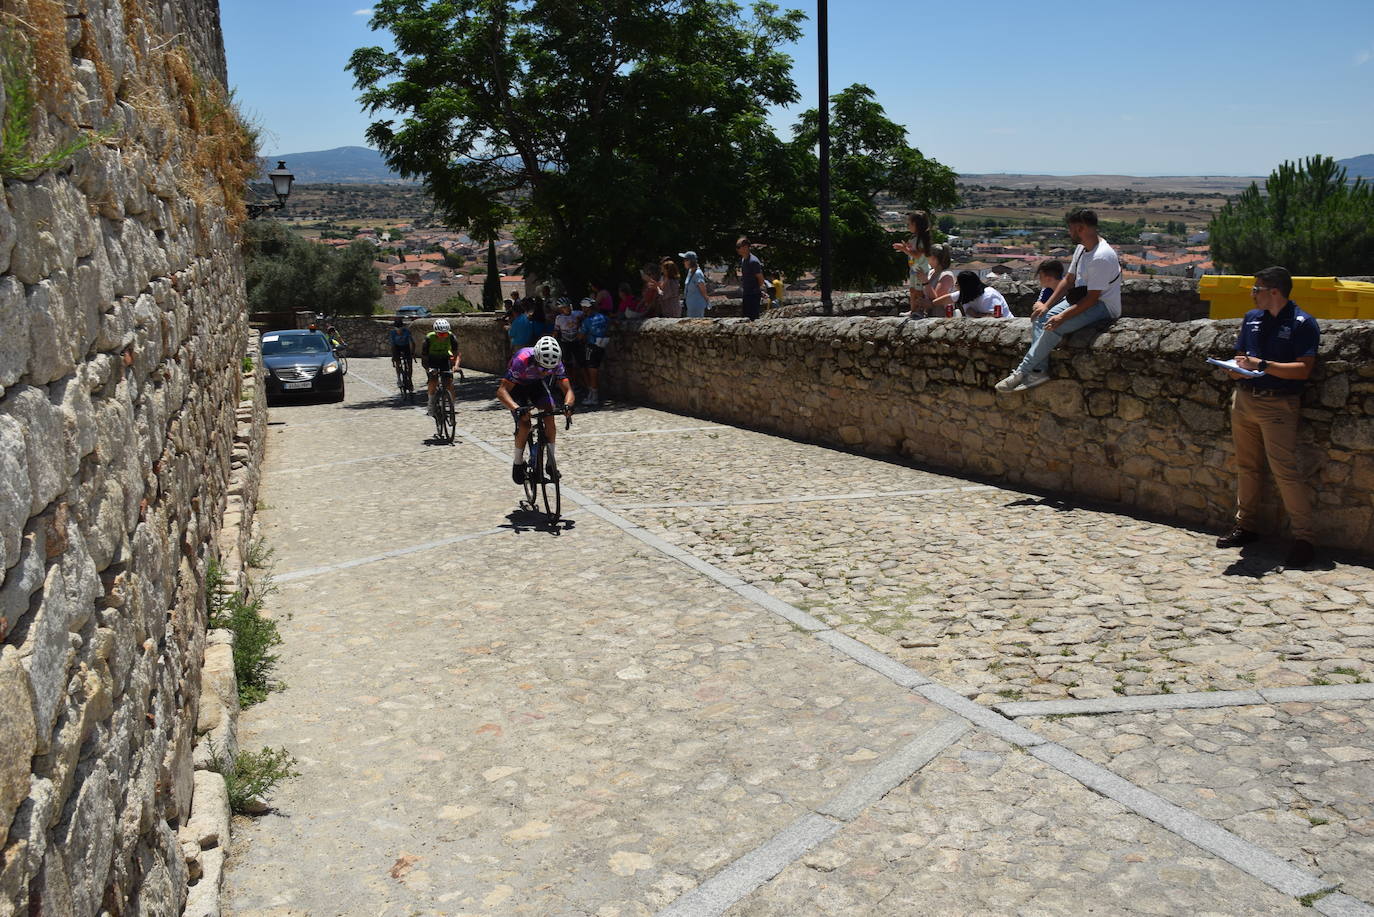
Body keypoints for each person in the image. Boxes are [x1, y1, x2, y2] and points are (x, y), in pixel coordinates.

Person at [1215, 266, 1320, 569]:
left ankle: (1304, 538)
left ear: (1274, 291)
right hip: (1245, 400)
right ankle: (1246, 525)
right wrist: (1235, 369)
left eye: (1256, 289)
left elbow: (1303, 369)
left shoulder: (1302, 323)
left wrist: (1261, 364)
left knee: (1284, 471)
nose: (1252, 294)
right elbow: (1242, 356)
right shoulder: (1252, 319)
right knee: (1246, 465)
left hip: (1278, 405)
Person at [995, 209, 1121, 392]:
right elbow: (1068, 280)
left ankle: (1022, 371)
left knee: (1055, 326)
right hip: (1080, 298)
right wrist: (1047, 306)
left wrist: (1061, 317)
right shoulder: (1081, 249)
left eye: (1070, 228)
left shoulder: (1101, 257)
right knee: (1041, 317)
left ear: (1080, 228)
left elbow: (1093, 299)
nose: (1069, 232)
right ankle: (1039, 370)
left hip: (1103, 306)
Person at [496, 336, 574, 484]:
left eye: (549, 369)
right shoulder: (522, 360)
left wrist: (568, 405)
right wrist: (517, 408)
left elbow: (568, 389)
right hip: (516, 387)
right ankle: (518, 463)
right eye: (543, 367)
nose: (546, 372)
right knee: (525, 424)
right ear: (536, 358)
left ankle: (551, 463)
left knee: (550, 417)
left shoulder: (556, 363)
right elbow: (501, 391)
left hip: (537, 386)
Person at [892, 211, 933, 317]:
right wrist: (905, 248)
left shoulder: (921, 240)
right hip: (914, 269)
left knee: (919, 291)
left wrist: (904, 249)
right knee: (913, 290)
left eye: (909, 224)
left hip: (920, 271)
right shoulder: (914, 238)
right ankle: (913, 310)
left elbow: (917, 255)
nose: (908, 226)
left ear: (916, 225)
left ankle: (919, 311)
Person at [422, 318, 461, 415]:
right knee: (433, 381)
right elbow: (424, 358)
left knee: (449, 383)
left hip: (444, 359)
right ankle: (430, 404)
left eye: (445, 334)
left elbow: (457, 353)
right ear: (435, 332)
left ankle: (452, 405)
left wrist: (455, 366)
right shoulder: (428, 339)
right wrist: (428, 369)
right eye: (440, 334)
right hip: (432, 360)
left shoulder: (451, 337)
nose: (443, 336)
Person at [912, 244, 956, 318]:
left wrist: (925, 281)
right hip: (928, 316)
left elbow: (937, 300)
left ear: (934, 258)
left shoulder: (946, 276)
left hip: (941, 317)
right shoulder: (931, 272)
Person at [579, 302, 609, 406]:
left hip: (592, 346)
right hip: (603, 346)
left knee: (592, 372)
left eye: (583, 308)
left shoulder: (587, 321)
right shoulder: (603, 317)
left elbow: (580, 336)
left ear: (586, 308)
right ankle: (592, 395)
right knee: (595, 371)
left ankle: (593, 396)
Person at [736, 236, 764, 320]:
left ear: (745, 247)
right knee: (746, 317)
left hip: (753, 294)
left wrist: (755, 289)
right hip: (747, 293)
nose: (737, 249)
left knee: (753, 318)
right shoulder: (744, 260)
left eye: (738, 247)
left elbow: (760, 279)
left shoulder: (753, 261)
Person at [681, 251, 710, 318]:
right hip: (690, 306)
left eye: (685, 260)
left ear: (690, 261)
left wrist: (707, 300)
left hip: (696, 306)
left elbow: (703, 289)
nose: (684, 262)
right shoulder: (690, 271)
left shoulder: (697, 273)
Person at [388, 318, 413, 386]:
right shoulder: (392, 333)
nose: (399, 329)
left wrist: (412, 353)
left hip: (406, 346)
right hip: (397, 347)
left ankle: (410, 379)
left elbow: (412, 342)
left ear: (403, 327)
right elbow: (392, 345)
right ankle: (399, 379)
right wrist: (393, 357)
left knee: (410, 364)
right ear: (394, 328)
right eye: (397, 328)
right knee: (397, 363)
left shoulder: (407, 331)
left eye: (400, 328)